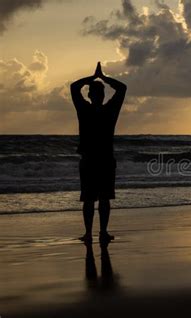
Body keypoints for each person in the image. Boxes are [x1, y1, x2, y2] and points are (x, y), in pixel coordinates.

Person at [70, 62, 127, 243]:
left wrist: (95, 78)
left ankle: (95, 233)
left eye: (99, 93)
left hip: (97, 160)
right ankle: (96, 232)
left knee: (97, 199)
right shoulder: (106, 110)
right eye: (98, 93)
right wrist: (102, 78)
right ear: (97, 95)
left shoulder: (87, 109)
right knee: (96, 199)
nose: (99, 96)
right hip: (98, 160)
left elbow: (74, 87)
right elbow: (121, 88)